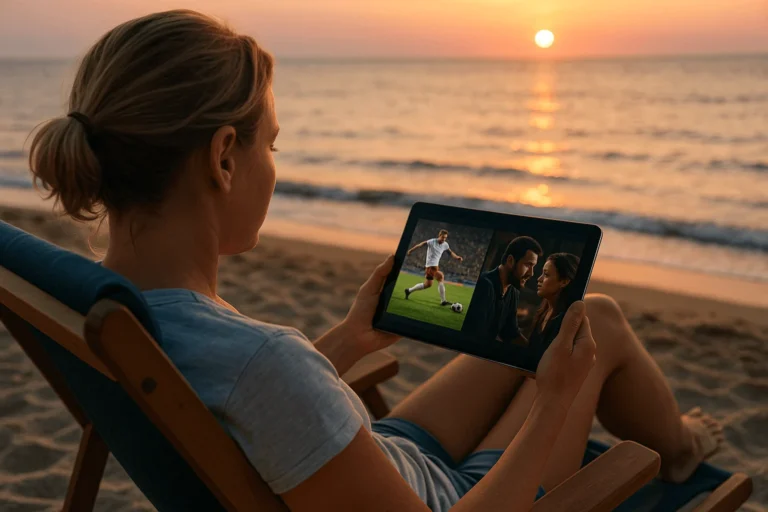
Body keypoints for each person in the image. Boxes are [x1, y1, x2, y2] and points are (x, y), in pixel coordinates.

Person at [28, 10, 725, 512]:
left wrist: (352, 340)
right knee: (591, 323)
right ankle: (683, 449)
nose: (273, 166)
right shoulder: (265, 360)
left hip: (364, 462)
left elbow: (246, 413)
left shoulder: (106, 308)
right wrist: (558, 399)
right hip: (449, 496)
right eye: (271, 145)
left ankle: (678, 435)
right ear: (222, 159)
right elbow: (270, 388)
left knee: (536, 327)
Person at [463, 236, 542, 346]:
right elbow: (474, 338)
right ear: (510, 261)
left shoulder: (513, 291)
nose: (531, 273)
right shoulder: (485, 285)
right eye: (528, 265)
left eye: (533, 267)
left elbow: (510, 333)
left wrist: (532, 355)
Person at [527, 253, 580, 363]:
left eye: (546, 275)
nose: (539, 279)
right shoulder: (543, 312)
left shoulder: (563, 321)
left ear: (564, 282)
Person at [405, 229, 464, 306]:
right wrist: (410, 250)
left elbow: (450, 252)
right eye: (442, 237)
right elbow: (420, 245)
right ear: (439, 236)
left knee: (428, 284)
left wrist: (457, 257)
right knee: (440, 277)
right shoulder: (432, 241)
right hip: (430, 266)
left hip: (434, 266)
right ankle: (443, 301)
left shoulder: (445, 244)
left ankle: (409, 290)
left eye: (445, 238)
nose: (443, 239)